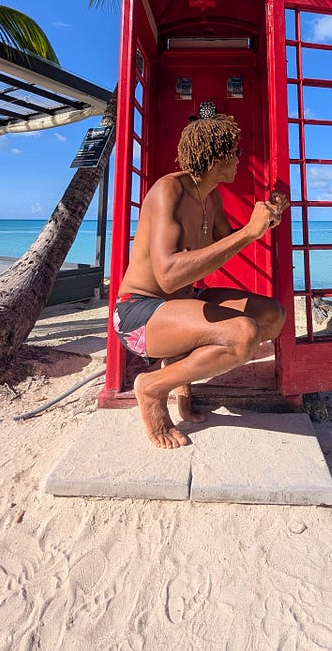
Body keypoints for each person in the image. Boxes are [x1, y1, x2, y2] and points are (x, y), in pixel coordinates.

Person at [113, 114, 287, 450]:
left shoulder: (213, 196)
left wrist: (265, 223)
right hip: (140, 312)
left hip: (184, 301)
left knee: (272, 315)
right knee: (243, 335)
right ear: (217, 156)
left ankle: (179, 372)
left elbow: (229, 241)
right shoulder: (170, 190)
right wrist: (250, 232)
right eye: (235, 152)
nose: (240, 159)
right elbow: (168, 274)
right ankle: (152, 387)